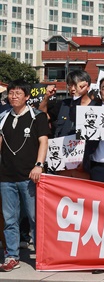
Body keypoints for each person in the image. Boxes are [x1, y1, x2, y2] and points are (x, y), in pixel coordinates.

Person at [0, 80, 50, 272]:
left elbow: (43, 142)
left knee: (35, 217)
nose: (13, 96)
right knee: (9, 218)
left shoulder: (37, 116)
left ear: (27, 97)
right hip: (6, 176)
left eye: (18, 93)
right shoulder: (3, 116)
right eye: (11, 93)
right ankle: (11, 256)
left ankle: (42, 254)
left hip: (30, 176)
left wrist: (39, 165)